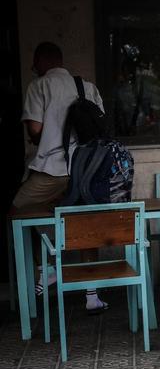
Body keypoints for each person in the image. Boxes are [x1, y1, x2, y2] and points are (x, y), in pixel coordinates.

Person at [18, 41, 107, 313]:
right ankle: (92, 297)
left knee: (18, 213)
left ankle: (47, 267)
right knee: (85, 226)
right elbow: (100, 124)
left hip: (52, 170)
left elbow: (34, 131)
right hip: (87, 170)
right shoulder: (87, 87)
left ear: (42, 62)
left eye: (35, 65)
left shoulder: (39, 86)